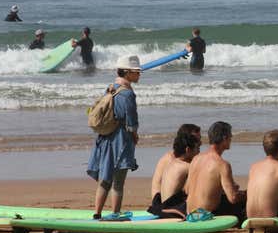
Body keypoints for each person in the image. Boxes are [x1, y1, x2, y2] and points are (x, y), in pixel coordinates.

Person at [86, 55, 142, 219]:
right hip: (121, 140)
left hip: (105, 138)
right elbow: (131, 122)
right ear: (127, 73)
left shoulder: (110, 88)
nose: (139, 75)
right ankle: (116, 213)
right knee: (118, 182)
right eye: (136, 72)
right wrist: (135, 135)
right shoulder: (128, 94)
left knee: (104, 179)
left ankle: (97, 213)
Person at [183, 121, 246, 221]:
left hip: (190, 213)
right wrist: (247, 194)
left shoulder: (196, 159)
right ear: (225, 138)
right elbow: (233, 198)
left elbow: (186, 189)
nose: (231, 139)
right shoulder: (222, 164)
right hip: (205, 215)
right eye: (230, 136)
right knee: (246, 202)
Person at [147, 125, 201, 217]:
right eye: (196, 139)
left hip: (165, 203)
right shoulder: (170, 159)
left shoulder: (179, 160)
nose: (200, 142)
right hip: (161, 203)